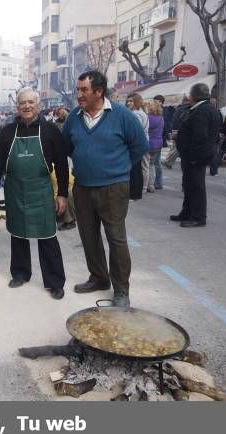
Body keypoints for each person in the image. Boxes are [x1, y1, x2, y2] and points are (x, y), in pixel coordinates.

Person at [62, 70, 148, 307]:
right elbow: (67, 146)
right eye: (77, 89)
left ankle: (121, 290)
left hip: (114, 188)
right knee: (89, 237)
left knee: (116, 238)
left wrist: (118, 168)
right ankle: (99, 278)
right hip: (82, 188)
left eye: (83, 90)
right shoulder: (73, 117)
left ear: (98, 92)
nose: (78, 94)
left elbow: (140, 146)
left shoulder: (122, 115)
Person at [0, 87, 69, 300]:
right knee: (18, 234)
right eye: (23, 103)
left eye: (31, 102)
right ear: (17, 106)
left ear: (37, 105)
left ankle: (55, 282)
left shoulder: (50, 130)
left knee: (47, 236)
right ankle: (20, 274)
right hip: (15, 190)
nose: (27, 106)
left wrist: (63, 195)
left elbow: (61, 165)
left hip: (41, 190)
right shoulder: (7, 131)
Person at [171, 83, 221, 227]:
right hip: (197, 154)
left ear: (194, 96)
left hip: (196, 156)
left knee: (196, 186)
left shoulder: (202, 111)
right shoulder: (207, 108)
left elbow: (200, 136)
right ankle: (186, 212)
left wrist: (193, 156)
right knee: (189, 184)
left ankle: (198, 217)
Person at [125, 93, 149, 200]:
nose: (129, 103)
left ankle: (134, 193)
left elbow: (134, 131)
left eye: (131, 101)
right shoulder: (140, 113)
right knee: (137, 168)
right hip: (140, 143)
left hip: (136, 144)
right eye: (128, 101)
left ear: (136, 102)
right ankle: (136, 192)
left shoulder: (136, 114)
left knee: (135, 169)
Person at [164, 96, 191, 169]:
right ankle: (168, 161)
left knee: (176, 147)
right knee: (177, 147)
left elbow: (175, 121)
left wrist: (173, 131)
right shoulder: (191, 109)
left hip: (178, 130)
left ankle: (168, 161)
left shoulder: (179, 109)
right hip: (186, 132)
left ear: (184, 101)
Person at [153, 95, 173, 188]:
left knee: (156, 162)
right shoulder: (154, 111)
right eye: (154, 101)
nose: (154, 103)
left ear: (161, 102)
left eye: (156, 101)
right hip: (158, 139)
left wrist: (167, 134)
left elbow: (167, 124)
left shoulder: (164, 112)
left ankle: (158, 182)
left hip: (158, 139)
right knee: (156, 162)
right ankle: (157, 182)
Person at [145, 100, 164, 193]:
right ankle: (157, 183)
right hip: (159, 143)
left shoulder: (148, 118)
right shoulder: (161, 118)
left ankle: (149, 185)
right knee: (156, 164)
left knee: (148, 165)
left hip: (150, 143)